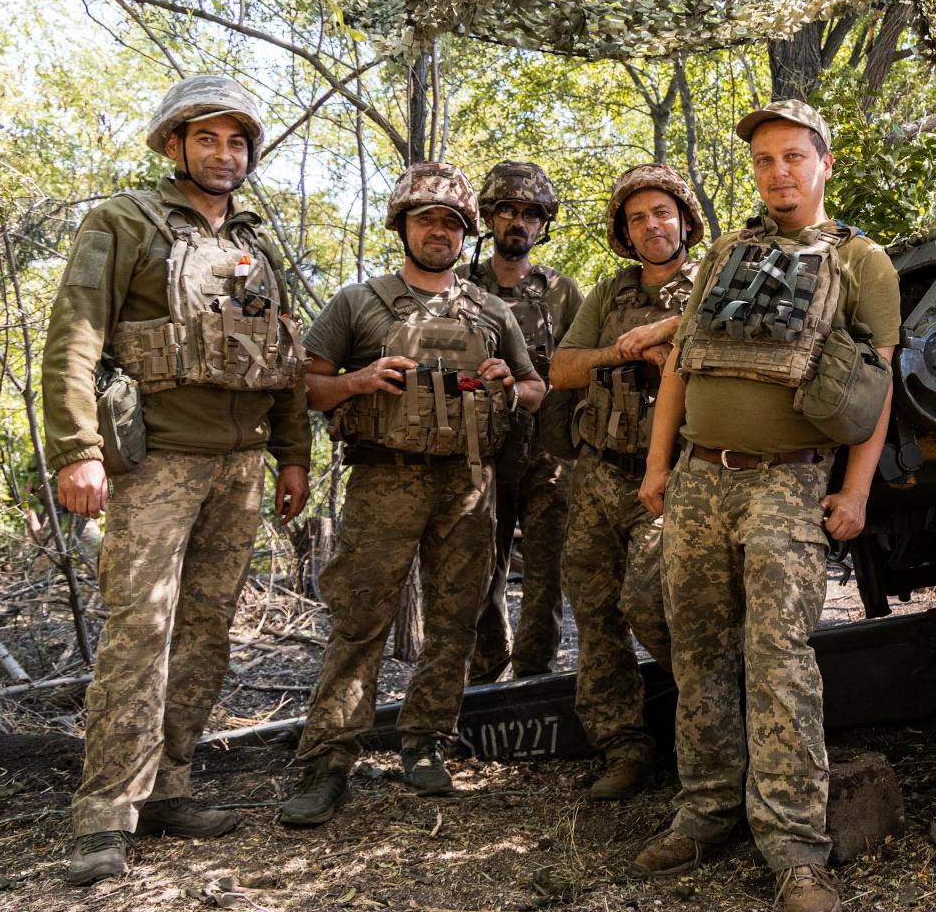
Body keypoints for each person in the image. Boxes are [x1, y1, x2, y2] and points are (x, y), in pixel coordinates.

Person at [632, 100, 901, 912]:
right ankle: (707, 811)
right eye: (761, 160)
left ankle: (793, 849)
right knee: (698, 648)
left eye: (792, 157)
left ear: (823, 163)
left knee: (780, 659)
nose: (777, 172)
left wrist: (854, 492)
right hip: (701, 478)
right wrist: (657, 465)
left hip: (788, 483)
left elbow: (878, 386)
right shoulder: (723, 254)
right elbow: (681, 365)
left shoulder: (863, 262)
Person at [44, 74, 311, 887]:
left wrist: (293, 452)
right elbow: (75, 334)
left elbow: (285, 355)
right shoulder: (123, 222)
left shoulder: (258, 244)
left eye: (237, 141)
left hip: (239, 463)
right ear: (173, 144)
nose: (224, 154)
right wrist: (75, 448)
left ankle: (169, 784)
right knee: (139, 632)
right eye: (207, 138)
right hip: (156, 457)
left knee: (206, 631)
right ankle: (104, 816)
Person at [277, 163, 545, 827]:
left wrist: (507, 382)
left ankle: (427, 742)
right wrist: (358, 380)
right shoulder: (359, 302)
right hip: (383, 478)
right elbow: (305, 385)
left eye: (452, 223)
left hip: (467, 484)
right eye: (426, 219)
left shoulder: (489, 309)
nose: (439, 232)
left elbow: (536, 388)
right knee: (361, 618)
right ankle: (327, 761)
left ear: (467, 236)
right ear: (402, 225)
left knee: (455, 620)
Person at [549, 165, 704, 799]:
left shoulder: (711, 285)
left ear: (684, 219)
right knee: (595, 616)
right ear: (624, 231)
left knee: (656, 602)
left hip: (675, 479)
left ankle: (714, 728)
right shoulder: (609, 296)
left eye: (662, 213)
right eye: (637, 217)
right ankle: (624, 747)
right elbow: (561, 368)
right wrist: (625, 350)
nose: (651, 226)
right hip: (598, 476)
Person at [464, 161, 583, 680]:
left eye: (530, 213)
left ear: (542, 223)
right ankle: (488, 669)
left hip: (551, 452)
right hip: (481, 450)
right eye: (507, 210)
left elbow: (584, 366)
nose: (518, 222)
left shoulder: (564, 292)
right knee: (478, 566)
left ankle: (534, 674)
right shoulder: (460, 286)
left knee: (546, 569)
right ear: (489, 217)